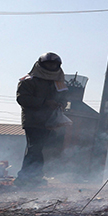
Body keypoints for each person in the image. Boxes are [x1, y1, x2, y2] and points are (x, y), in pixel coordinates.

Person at [15, 52, 69, 187]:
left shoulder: (59, 81)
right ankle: (27, 177)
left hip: (50, 121)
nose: (51, 67)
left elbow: (64, 98)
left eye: (54, 64)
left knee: (39, 148)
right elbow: (22, 98)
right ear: (41, 65)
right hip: (33, 120)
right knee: (35, 148)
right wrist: (45, 102)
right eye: (48, 64)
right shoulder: (29, 80)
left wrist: (61, 104)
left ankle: (33, 176)